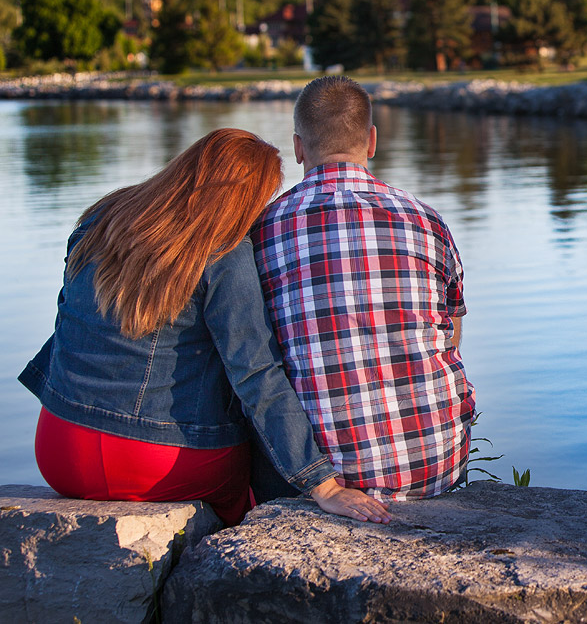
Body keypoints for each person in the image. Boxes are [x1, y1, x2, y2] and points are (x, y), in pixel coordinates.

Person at [18, 128, 390, 526]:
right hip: (158, 463)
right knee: (249, 482)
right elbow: (256, 374)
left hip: (60, 448)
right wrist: (322, 483)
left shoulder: (102, 219)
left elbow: (66, 324)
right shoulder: (224, 254)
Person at [252, 76, 473, 501]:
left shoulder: (263, 230)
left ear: (298, 147)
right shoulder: (426, 220)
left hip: (324, 477)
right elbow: (452, 327)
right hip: (436, 462)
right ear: (371, 141)